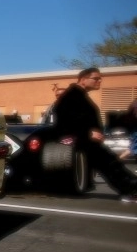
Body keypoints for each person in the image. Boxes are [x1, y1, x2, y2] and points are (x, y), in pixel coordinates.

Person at [51, 67, 137, 203]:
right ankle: (130, 190)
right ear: (83, 80)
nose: (99, 81)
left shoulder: (79, 95)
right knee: (110, 163)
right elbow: (63, 122)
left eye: (100, 79)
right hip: (81, 140)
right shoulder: (70, 96)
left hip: (87, 140)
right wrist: (88, 133)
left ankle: (130, 189)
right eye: (96, 78)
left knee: (110, 163)